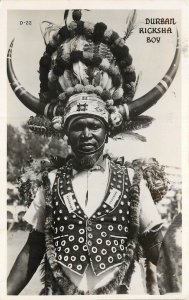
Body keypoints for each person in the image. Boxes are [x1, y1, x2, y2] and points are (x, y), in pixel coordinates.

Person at [7, 10, 180, 295]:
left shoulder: (133, 181)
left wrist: (177, 291)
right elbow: (32, 250)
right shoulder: (49, 182)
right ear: (66, 132)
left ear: (107, 132)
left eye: (94, 126)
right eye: (78, 127)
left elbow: (156, 244)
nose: (86, 135)